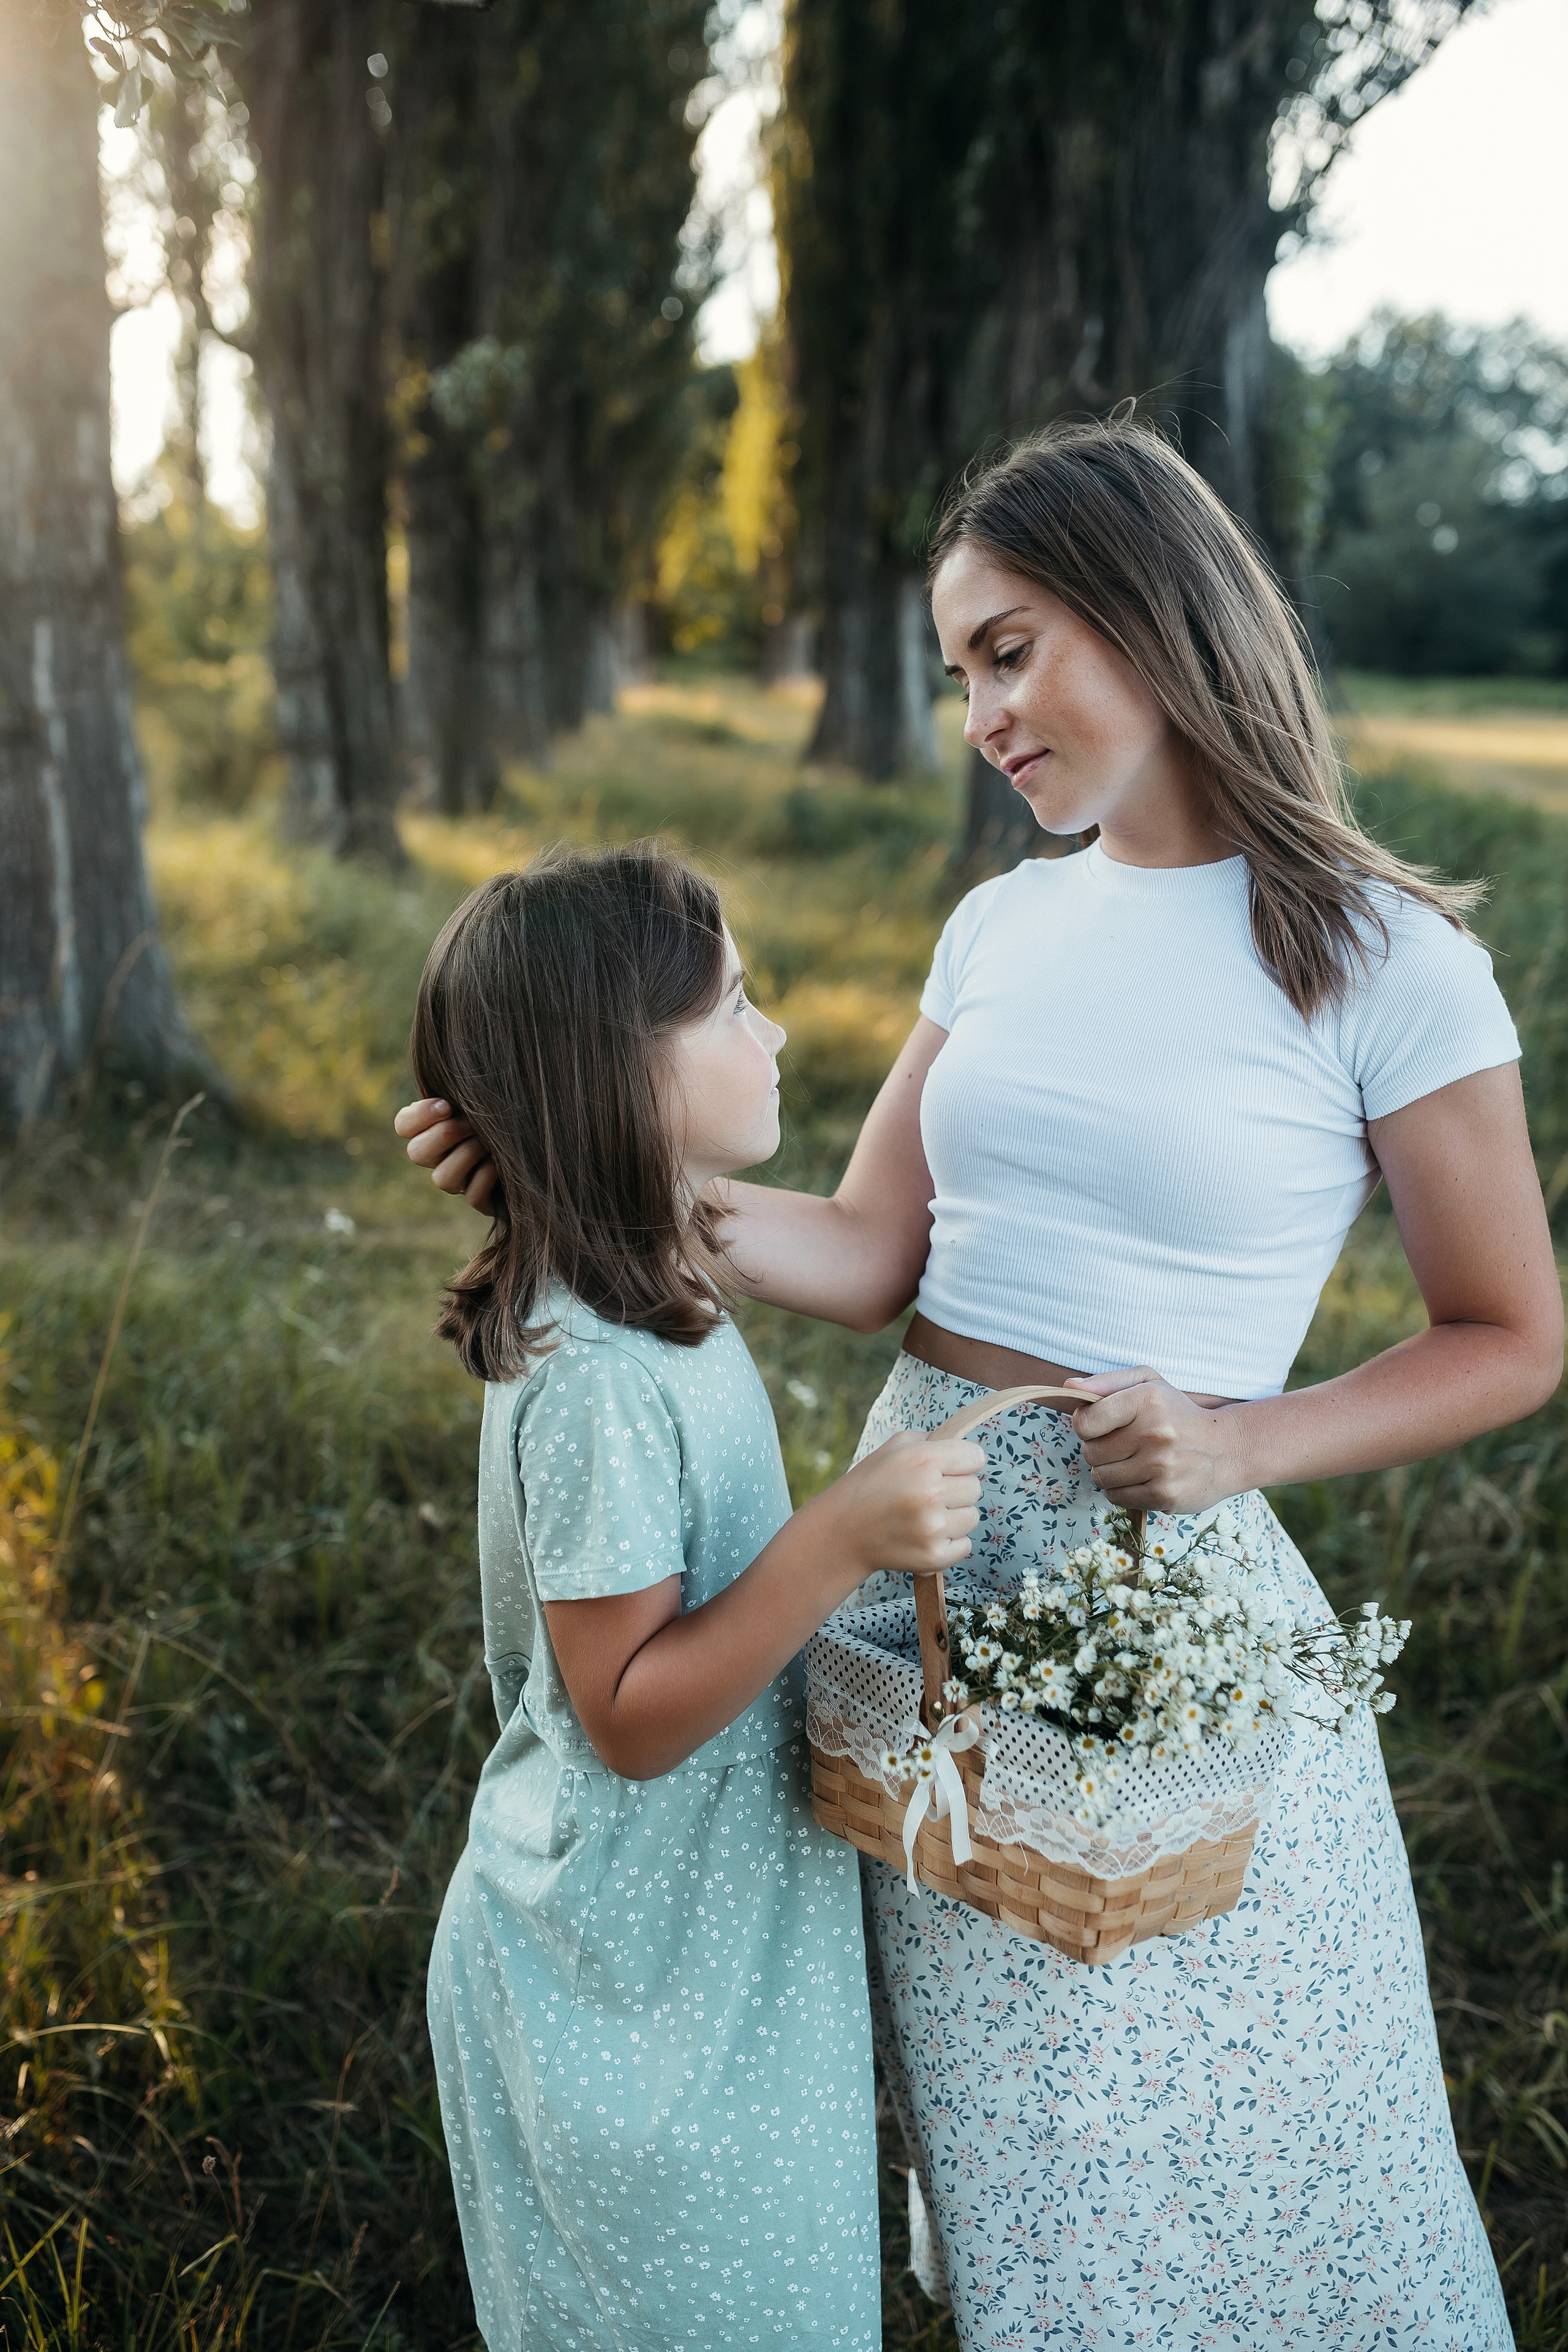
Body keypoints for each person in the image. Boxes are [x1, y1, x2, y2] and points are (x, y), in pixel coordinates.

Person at [398, 421, 1561, 2349]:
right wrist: (591, 1170)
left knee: (1262, 2147)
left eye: (1009, 651)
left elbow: (1512, 1336)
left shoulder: (1388, 960)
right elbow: (873, 1251)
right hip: (911, 1567)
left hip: (1153, 1591)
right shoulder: (1005, 922)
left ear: (1154, 609)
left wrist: (1238, 1439)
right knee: (1027, 2172)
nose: (980, 714)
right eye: (960, 672)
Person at [407, 845, 984, 2352]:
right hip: (620, 1982)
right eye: (736, 1004)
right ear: (616, 1074)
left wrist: (564, 1140)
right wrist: (839, 1538)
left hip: (707, 1944)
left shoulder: (639, 1265)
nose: (774, 1033)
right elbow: (630, 1718)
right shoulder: (595, 1375)